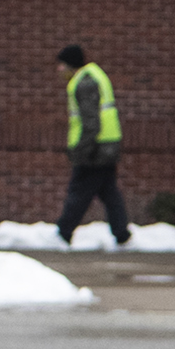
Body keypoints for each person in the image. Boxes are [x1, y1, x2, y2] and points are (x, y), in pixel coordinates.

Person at [55, 43, 130, 248]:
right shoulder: (93, 76)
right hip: (106, 145)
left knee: (79, 191)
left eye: (62, 65)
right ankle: (122, 235)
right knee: (109, 192)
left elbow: (90, 121)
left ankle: (63, 232)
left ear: (71, 65)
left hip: (95, 148)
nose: (59, 69)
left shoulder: (84, 83)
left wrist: (82, 149)